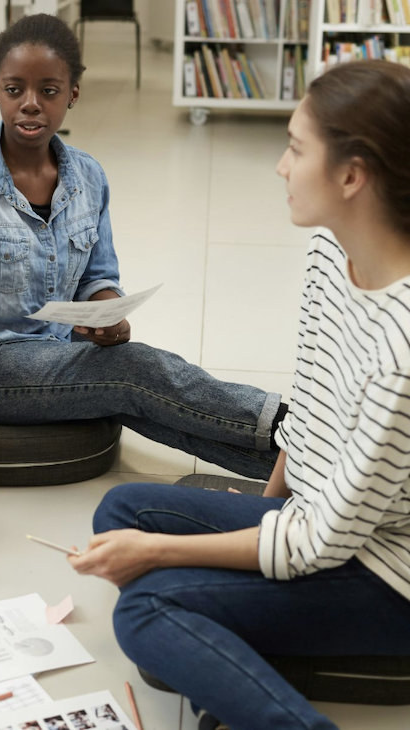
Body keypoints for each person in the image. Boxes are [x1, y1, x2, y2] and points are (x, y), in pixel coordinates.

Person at [69, 60, 410, 730]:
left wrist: (167, 553)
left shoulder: (403, 353)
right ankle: (230, 687)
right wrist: (263, 513)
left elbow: (321, 546)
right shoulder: (328, 252)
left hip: (384, 575)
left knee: (147, 606)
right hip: (315, 522)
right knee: (122, 508)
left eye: (295, 148)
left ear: (351, 174)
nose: (281, 167)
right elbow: (308, 405)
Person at [0, 14, 285, 481]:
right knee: (135, 372)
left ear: (73, 94)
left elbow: (98, 279)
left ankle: (304, 473)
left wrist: (107, 317)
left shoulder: (88, 177)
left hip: (56, 352)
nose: (31, 105)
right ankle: (292, 425)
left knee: (138, 396)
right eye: (15, 89)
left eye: (50, 91)